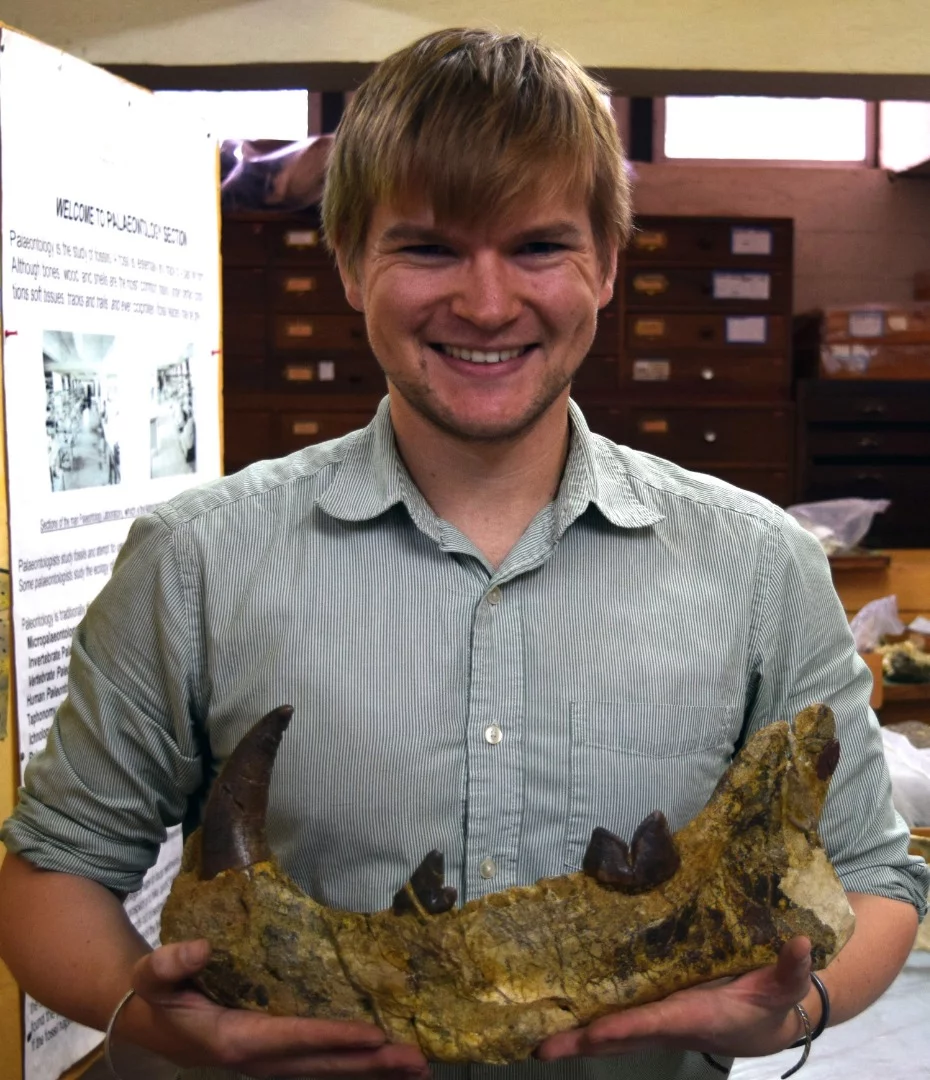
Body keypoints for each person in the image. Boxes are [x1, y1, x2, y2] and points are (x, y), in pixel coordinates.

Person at [1, 26, 927, 1080]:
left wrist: (789, 1010)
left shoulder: (765, 568)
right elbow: (50, 878)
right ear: (349, 262)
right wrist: (164, 1021)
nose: (487, 305)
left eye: (538, 247)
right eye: (430, 248)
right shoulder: (193, 564)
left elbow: (877, 880)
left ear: (607, 265)